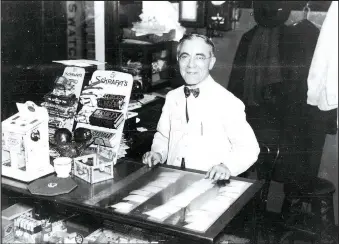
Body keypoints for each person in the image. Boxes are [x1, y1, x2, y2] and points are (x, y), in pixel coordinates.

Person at [142, 33, 260, 181]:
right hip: (172, 180)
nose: (191, 64)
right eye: (185, 56)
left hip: (209, 185)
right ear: (178, 61)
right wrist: (158, 153)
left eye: (200, 57)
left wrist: (227, 167)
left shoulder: (228, 102)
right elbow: (164, 136)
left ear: (211, 62)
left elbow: (249, 149)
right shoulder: (172, 97)